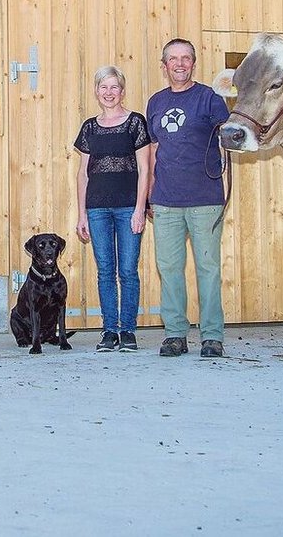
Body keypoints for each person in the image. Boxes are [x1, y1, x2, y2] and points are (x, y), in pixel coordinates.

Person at [145, 38, 231, 359]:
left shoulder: (210, 99)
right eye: (173, 59)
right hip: (166, 200)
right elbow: (153, 152)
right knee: (169, 268)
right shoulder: (155, 103)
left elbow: (228, 133)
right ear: (164, 64)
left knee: (207, 268)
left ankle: (212, 336)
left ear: (193, 63)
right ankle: (175, 334)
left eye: (186, 58)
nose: (179, 64)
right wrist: (150, 195)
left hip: (205, 198)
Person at [74, 65, 152, 353]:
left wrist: (140, 208)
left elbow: (145, 169)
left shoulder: (135, 123)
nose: (109, 93)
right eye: (103, 87)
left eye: (114, 87)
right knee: (105, 271)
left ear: (122, 90)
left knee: (128, 270)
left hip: (127, 207)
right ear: (97, 91)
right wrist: (82, 213)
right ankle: (109, 331)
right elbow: (83, 173)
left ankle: (128, 331)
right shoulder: (89, 128)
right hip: (96, 209)